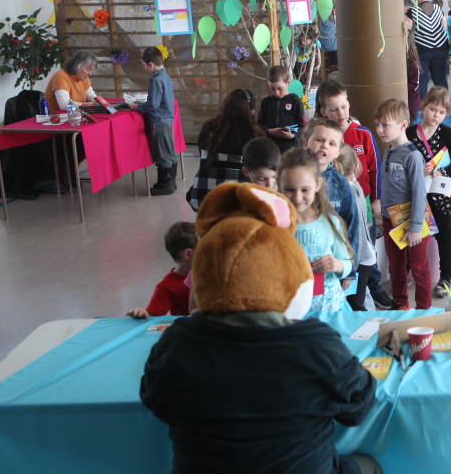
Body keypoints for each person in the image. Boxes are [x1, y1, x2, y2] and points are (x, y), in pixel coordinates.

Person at [140, 182, 381, 474]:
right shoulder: (316, 344)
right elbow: (358, 408)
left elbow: (155, 400)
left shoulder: (178, 342)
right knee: (368, 465)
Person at [407, 88, 451, 297]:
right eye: (432, 109)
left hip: (441, 193)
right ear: (423, 105)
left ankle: (445, 277)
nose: (435, 115)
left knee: (444, 234)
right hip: (416, 193)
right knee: (415, 231)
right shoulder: (409, 133)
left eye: (441, 112)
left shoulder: (448, 134)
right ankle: (411, 271)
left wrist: (442, 171)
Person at [278, 148, 354, 315]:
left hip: (330, 310)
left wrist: (337, 264)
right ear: (279, 185)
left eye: (305, 190)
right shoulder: (275, 226)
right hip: (290, 312)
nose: (297, 198)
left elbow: (348, 263)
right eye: (289, 189)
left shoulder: (330, 222)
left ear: (317, 185)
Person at [374, 99, 432, 309]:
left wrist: (415, 227)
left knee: (418, 267)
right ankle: (400, 305)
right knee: (396, 266)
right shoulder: (388, 151)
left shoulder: (412, 156)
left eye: (385, 125)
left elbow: (419, 192)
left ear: (402, 125)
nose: (380, 130)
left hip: (414, 222)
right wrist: (381, 206)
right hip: (391, 220)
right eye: (377, 124)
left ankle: (423, 308)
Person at [301, 118, 362, 270]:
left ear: (337, 152)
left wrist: (350, 269)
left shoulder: (341, 184)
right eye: (319, 140)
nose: (324, 146)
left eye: (331, 143)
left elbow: (352, 224)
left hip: (330, 262)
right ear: (305, 143)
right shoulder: (291, 176)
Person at [186, 89, 261, 210]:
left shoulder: (208, 127)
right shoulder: (255, 134)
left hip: (204, 198)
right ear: (251, 112)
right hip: (240, 202)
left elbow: (203, 159)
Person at [316, 81, 381, 220]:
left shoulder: (364, 134)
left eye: (343, 107)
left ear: (349, 104)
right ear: (323, 112)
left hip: (364, 198)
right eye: (334, 109)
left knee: (366, 237)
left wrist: (377, 199)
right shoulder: (320, 139)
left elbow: (375, 168)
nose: (341, 113)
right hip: (333, 202)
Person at [334, 146, 378, 311]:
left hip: (358, 258)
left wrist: (350, 270)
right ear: (355, 166)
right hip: (361, 256)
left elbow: (357, 229)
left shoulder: (348, 191)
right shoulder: (354, 186)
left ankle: (370, 332)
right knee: (360, 297)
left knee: (356, 304)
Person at [126, 221, 196, 318]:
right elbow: (151, 316)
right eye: (206, 250)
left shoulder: (211, 274)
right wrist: (141, 313)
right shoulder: (167, 286)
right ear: (188, 254)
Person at [131, 47, 177, 195]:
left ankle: (164, 186)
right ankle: (171, 182)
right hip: (167, 119)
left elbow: (152, 105)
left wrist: (136, 106)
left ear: (150, 64)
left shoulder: (156, 80)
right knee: (169, 151)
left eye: (144, 65)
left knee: (162, 154)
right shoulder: (166, 76)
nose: (144, 68)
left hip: (158, 121)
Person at [408, 0, 450, 92]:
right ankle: (444, 106)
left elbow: (407, 27)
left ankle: (421, 107)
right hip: (441, 49)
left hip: (423, 51)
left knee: (422, 80)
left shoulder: (412, 11)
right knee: (440, 78)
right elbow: (444, 26)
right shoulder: (438, 8)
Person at [258, 65, 304, 155]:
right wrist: (268, 131)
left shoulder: (295, 101)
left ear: (288, 83)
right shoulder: (266, 102)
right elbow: (259, 124)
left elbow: (303, 126)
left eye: (280, 89)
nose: (276, 92)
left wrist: (293, 135)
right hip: (270, 147)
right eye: (273, 89)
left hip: (291, 148)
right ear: (268, 84)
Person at [44, 51, 109, 111]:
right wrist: (86, 105)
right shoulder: (61, 76)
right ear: (78, 66)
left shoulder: (83, 77)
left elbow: (91, 96)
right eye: (88, 69)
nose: (90, 73)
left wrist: (104, 104)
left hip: (74, 115)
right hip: (57, 119)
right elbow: (64, 105)